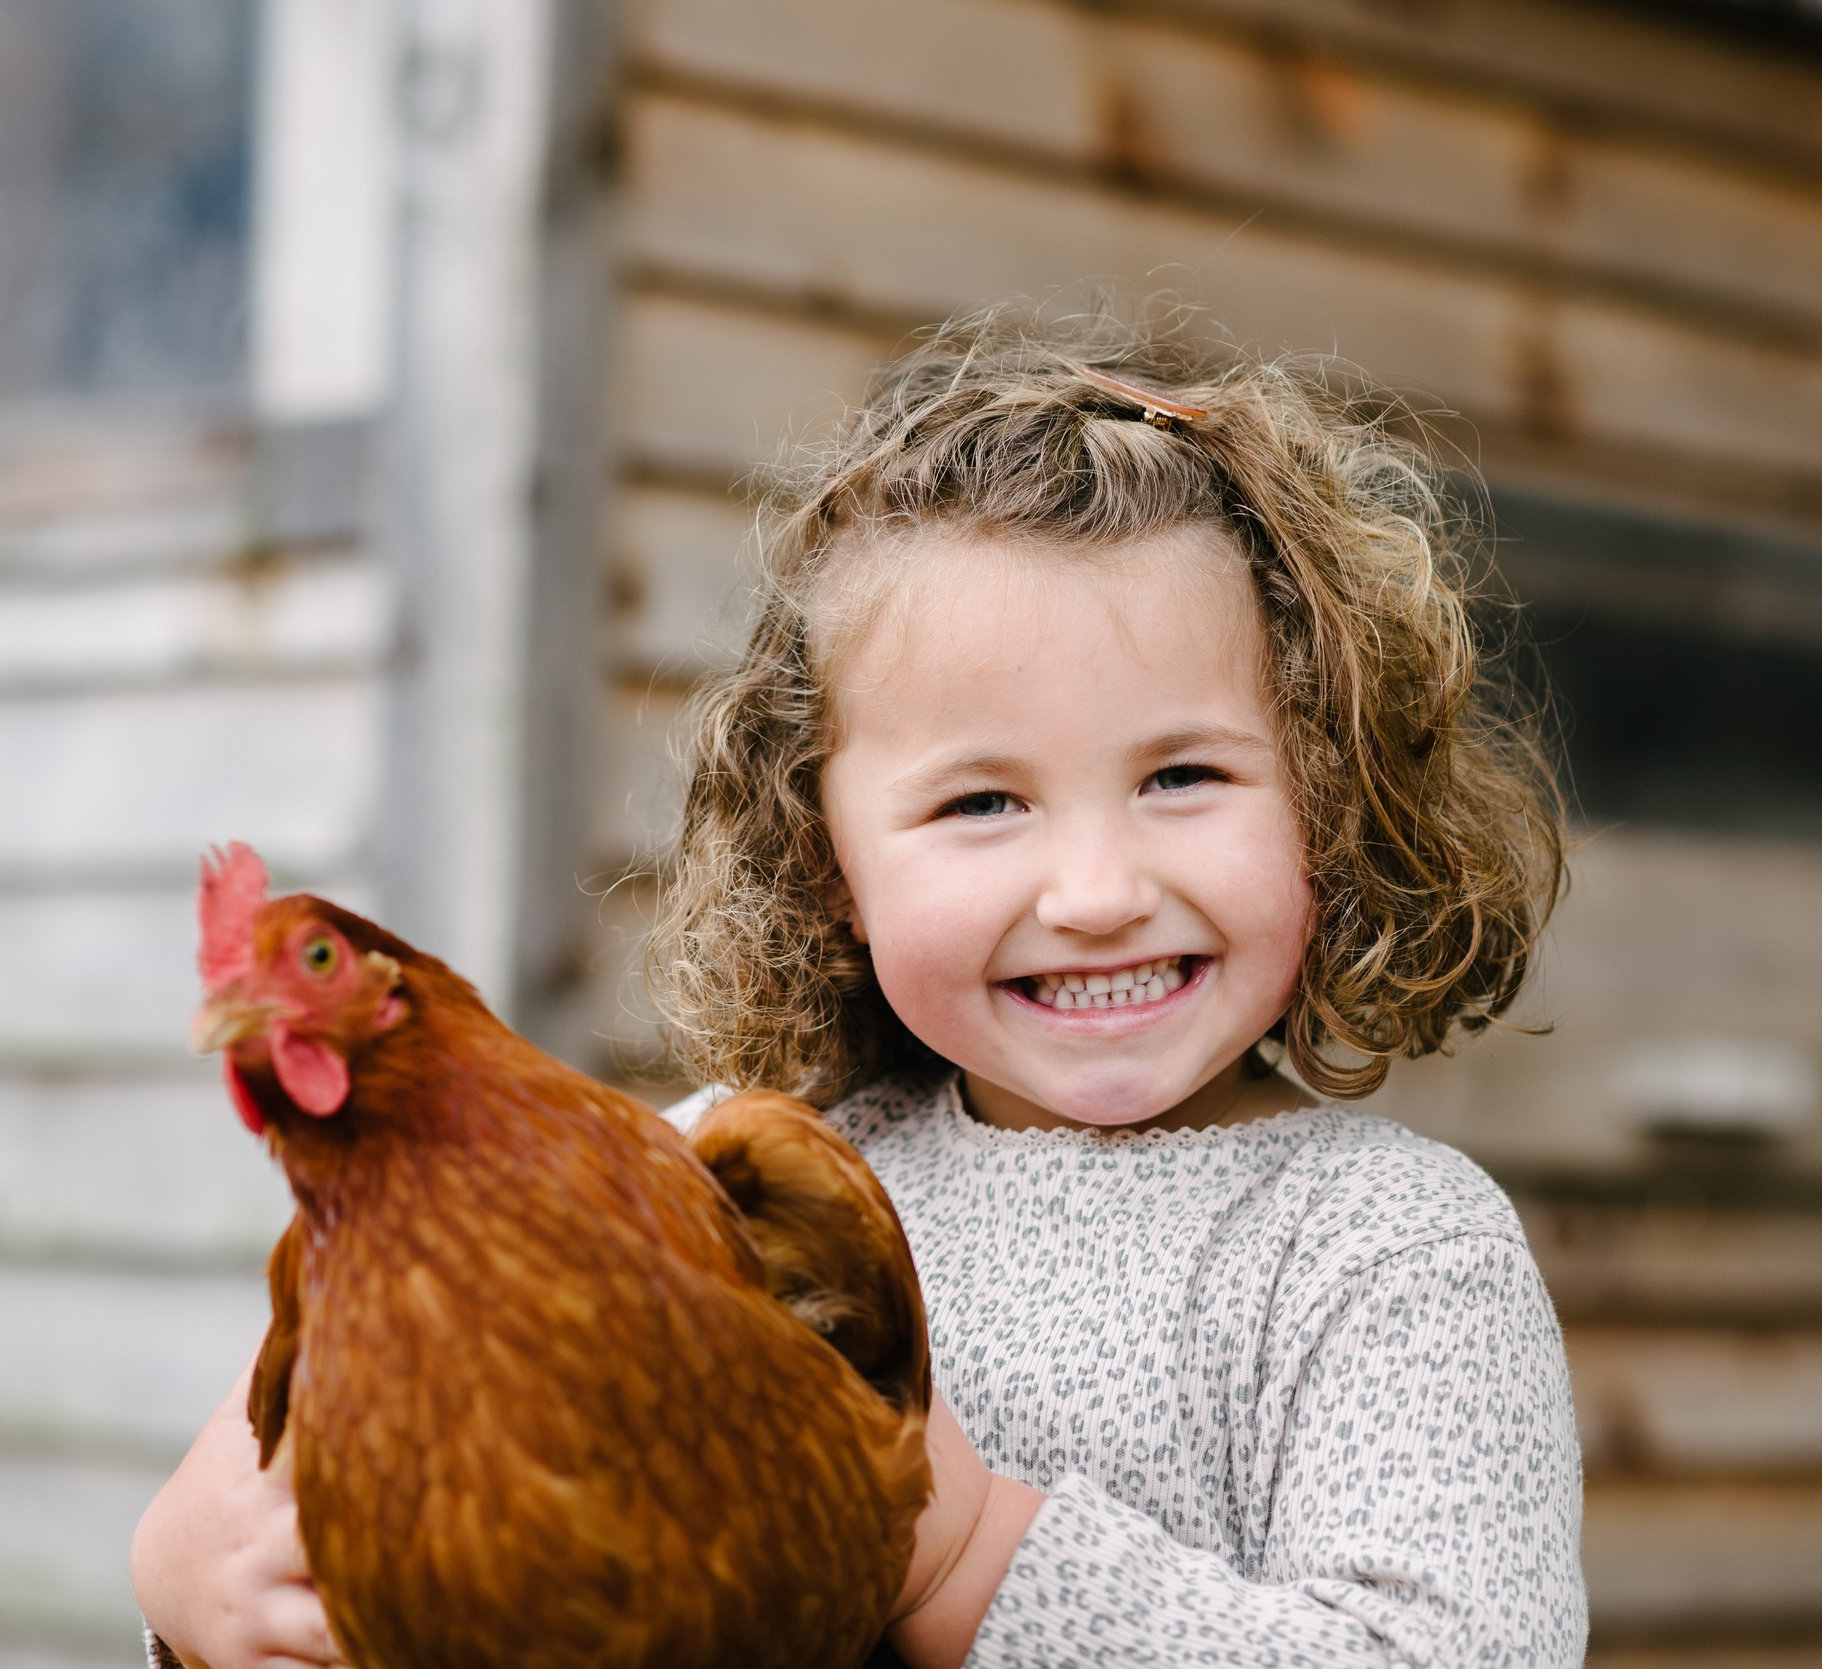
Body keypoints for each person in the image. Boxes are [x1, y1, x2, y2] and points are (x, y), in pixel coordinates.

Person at [131, 309, 1587, 1667]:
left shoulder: (1383, 1253)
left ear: (1330, 796)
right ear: (828, 858)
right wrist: (194, 1574)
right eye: (982, 804)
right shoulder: (714, 1176)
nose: (1095, 890)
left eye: (1183, 776)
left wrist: (969, 1560)